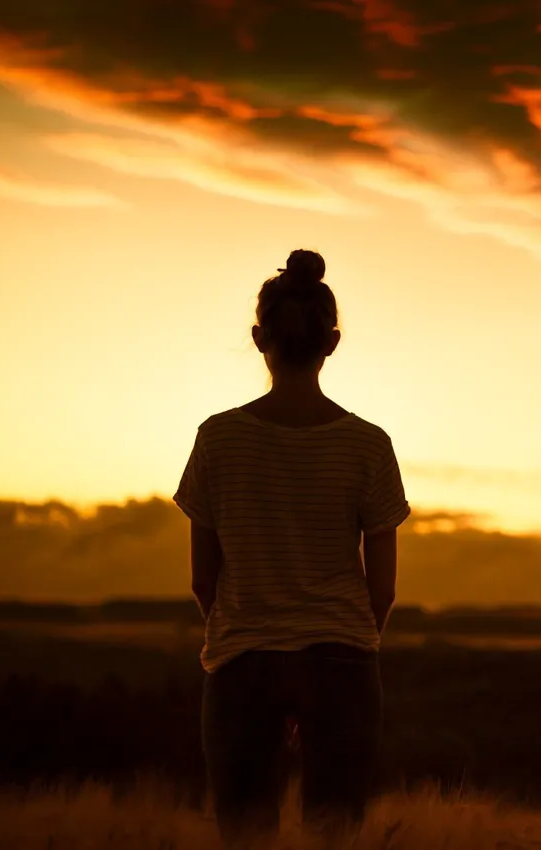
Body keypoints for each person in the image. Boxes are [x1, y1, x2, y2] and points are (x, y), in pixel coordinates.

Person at [173, 249, 410, 847]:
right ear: (332, 342)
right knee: (336, 836)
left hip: (242, 658)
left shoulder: (218, 438)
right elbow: (382, 588)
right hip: (343, 657)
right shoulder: (368, 446)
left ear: (259, 338)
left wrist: (245, 634)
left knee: (246, 835)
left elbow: (205, 579)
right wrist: (351, 644)